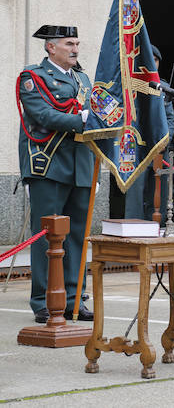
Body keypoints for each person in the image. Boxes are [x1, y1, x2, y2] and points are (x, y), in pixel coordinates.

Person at [18, 25, 95, 322]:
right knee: (47, 237)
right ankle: (43, 301)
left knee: (77, 236)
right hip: (48, 166)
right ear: (50, 47)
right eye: (68, 43)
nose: (75, 49)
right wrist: (82, 119)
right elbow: (42, 115)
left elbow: (96, 116)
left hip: (81, 167)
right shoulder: (34, 77)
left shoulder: (83, 78)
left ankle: (74, 299)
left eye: (77, 43)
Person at [124, 44, 174, 223]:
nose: (152, 63)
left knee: (159, 196)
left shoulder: (164, 87)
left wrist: (165, 139)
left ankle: (156, 230)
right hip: (134, 148)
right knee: (135, 197)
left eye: (155, 60)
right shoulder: (128, 83)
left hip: (158, 150)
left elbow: (170, 119)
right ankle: (132, 232)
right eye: (149, 59)